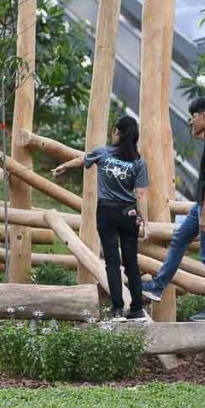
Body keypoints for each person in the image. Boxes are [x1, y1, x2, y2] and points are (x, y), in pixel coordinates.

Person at [141, 97, 205, 322]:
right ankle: (158, 285)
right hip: (204, 206)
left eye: (193, 117)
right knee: (180, 240)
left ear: (204, 115)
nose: (191, 121)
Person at [53, 116, 150, 321]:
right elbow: (141, 194)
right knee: (132, 262)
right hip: (129, 214)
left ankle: (117, 309)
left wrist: (64, 166)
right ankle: (138, 309)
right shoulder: (138, 162)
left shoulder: (103, 152)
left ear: (116, 132)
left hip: (107, 212)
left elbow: (83, 159)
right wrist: (145, 222)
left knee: (112, 262)